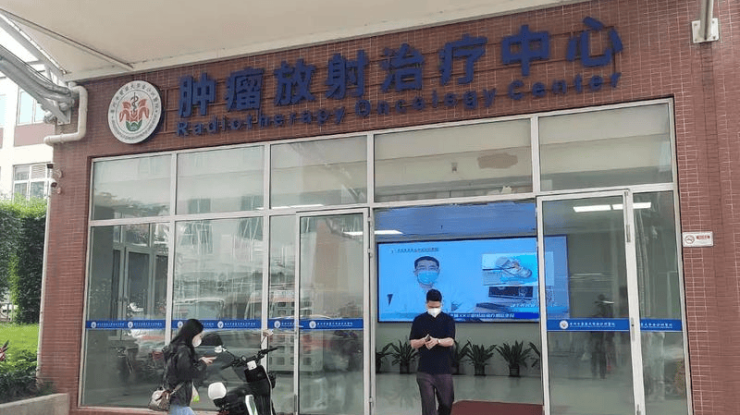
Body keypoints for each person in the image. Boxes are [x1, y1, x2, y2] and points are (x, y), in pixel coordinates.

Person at [409, 289, 456, 415]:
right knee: (428, 406)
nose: (434, 309)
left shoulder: (448, 320)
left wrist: (437, 341)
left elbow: (450, 341)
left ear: (441, 304)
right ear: (426, 304)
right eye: (431, 307)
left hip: (443, 369)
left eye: (437, 307)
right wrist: (424, 340)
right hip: (424, 370)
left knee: (447, 403)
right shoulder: (418, 320)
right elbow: (413, 343)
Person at [386, 256, 473, 318]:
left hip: (441, 327)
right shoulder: (403, 290)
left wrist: (449, 318)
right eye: (422, 268)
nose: (427, 272)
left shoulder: (448, 288)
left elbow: (469, 305)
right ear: (415, 272)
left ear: (438, 271)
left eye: (432, 268)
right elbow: (394, 314)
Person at [162, 319, 215, 415]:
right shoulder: (183, 350)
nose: (199, 339)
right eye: (199, 336)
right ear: (192, 334)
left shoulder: (174, 347)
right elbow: (186, 372)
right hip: (179, 398)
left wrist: (198, 361)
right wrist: (202, 363)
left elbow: (179, 369)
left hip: (176, 398)